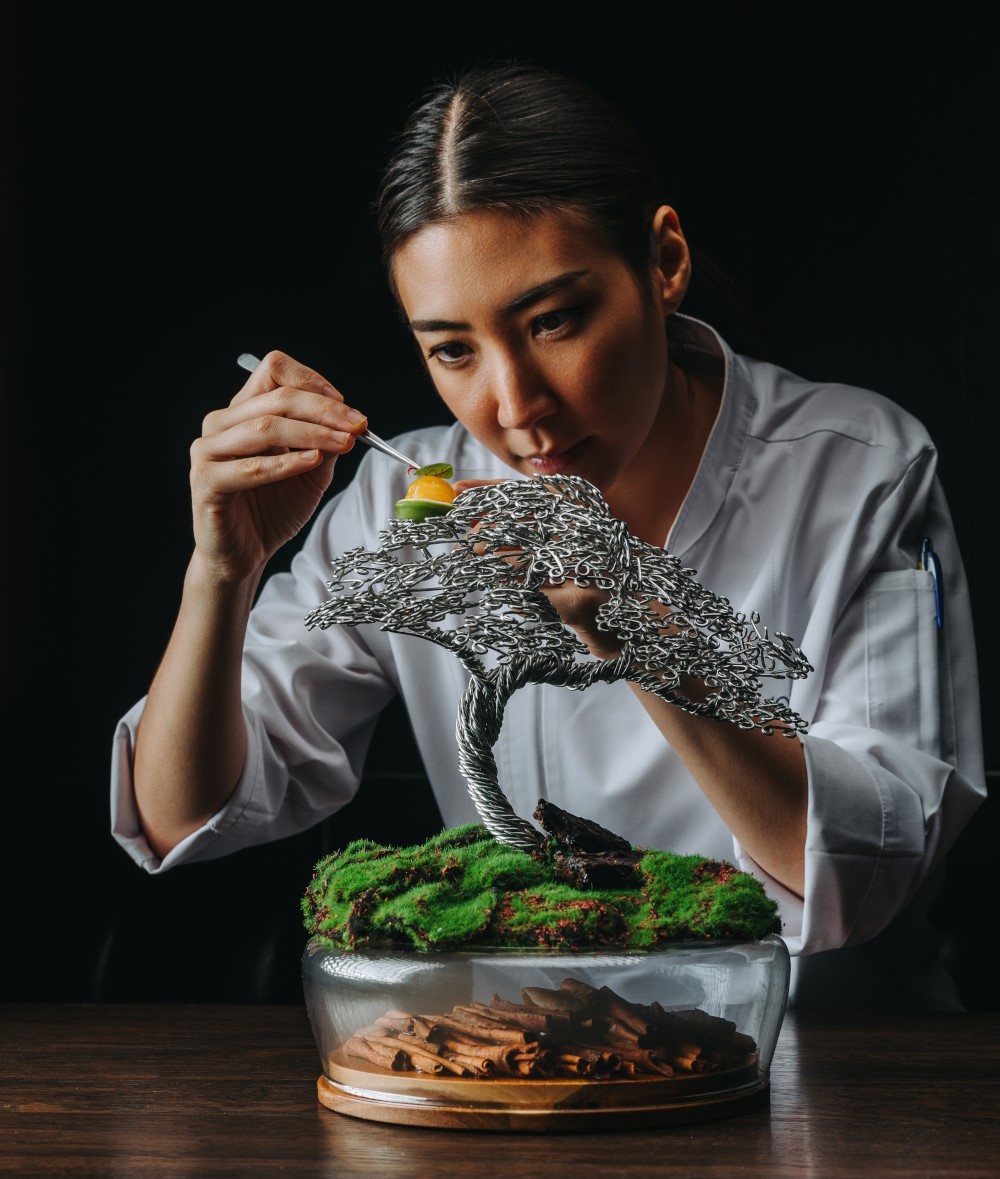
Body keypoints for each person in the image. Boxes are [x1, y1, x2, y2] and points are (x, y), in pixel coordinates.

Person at [111, 62, 986, 1009]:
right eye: (453, 349)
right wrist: (224, 570)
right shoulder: (409, 502)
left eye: (555, 320)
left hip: (839, 1076)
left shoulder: (859, 471)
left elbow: (866, 879)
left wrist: (634, 627)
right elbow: (181, 812)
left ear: (663, 262)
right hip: (531, 1066)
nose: (515, 406)